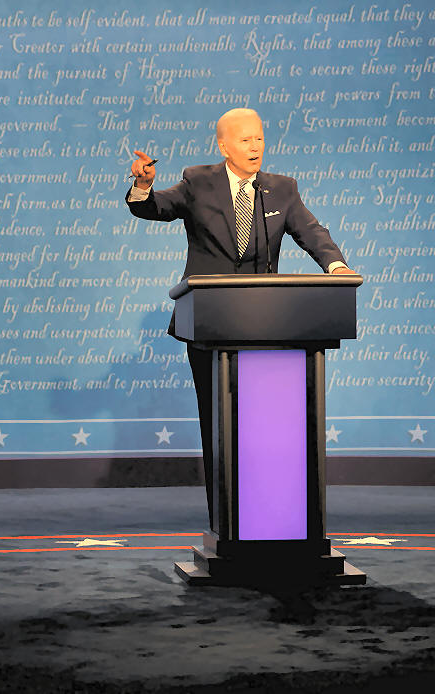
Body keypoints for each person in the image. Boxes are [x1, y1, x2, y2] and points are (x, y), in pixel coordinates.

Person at [124, 107, 355, 529]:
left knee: (265, 429)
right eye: (245, 139)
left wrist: (335, 265)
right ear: (224, 145)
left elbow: (311, 231)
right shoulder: (198, 182)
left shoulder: (281, 189)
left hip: (269, 326)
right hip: (209, 324)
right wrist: (143, 185)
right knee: (219, 424)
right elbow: (155, 208)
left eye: (259, 138)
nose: (255, 146)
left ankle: (273, 521)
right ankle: (226, 525)